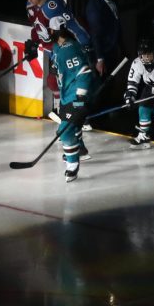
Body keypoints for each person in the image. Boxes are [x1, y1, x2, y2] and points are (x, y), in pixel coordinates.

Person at [22, 0, 93, 113]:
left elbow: (73, 25)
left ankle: (80, 114)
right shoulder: (30, 6)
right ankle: (60, 108)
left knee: (72, 82)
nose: (29, 0)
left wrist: (86, 45)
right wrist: (34, 42)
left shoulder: (53, 6)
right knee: (54, 81)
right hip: (51, 50)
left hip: (64, 49)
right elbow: (36, 26)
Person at [46, 16, 95, 182]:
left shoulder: (69, 49)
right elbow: (52, 50)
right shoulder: (59, 46)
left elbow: (84, 72)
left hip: (76, 95)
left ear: (53, 31)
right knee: (73, 126)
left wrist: (80, 98)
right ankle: (79, 149)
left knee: (64, 131)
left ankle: (72, 165)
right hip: (67, 95)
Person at [85, 0, 122, 77]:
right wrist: (100, 59)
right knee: (105, 82)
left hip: (113, 47)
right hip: (104, 51)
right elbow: (95, 35)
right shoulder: (95, 9)